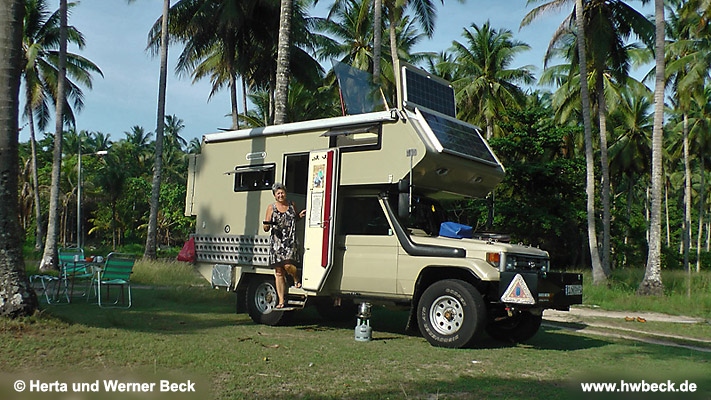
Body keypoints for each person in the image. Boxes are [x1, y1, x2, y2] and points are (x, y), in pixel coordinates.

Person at [263, 183, 306, 309]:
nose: (280, 195)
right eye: (278, 193)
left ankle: (295, 277)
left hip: (290, 241)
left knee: (288, 265)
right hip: (277, 242)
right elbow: (265, 227)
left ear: (285, 193)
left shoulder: (291, 205)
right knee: (279, 272)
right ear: (274, 196)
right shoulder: (271, 207)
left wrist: (299, 216)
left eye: (282, 193)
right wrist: (267, 224)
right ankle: (281, 301)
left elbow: (294, 219)